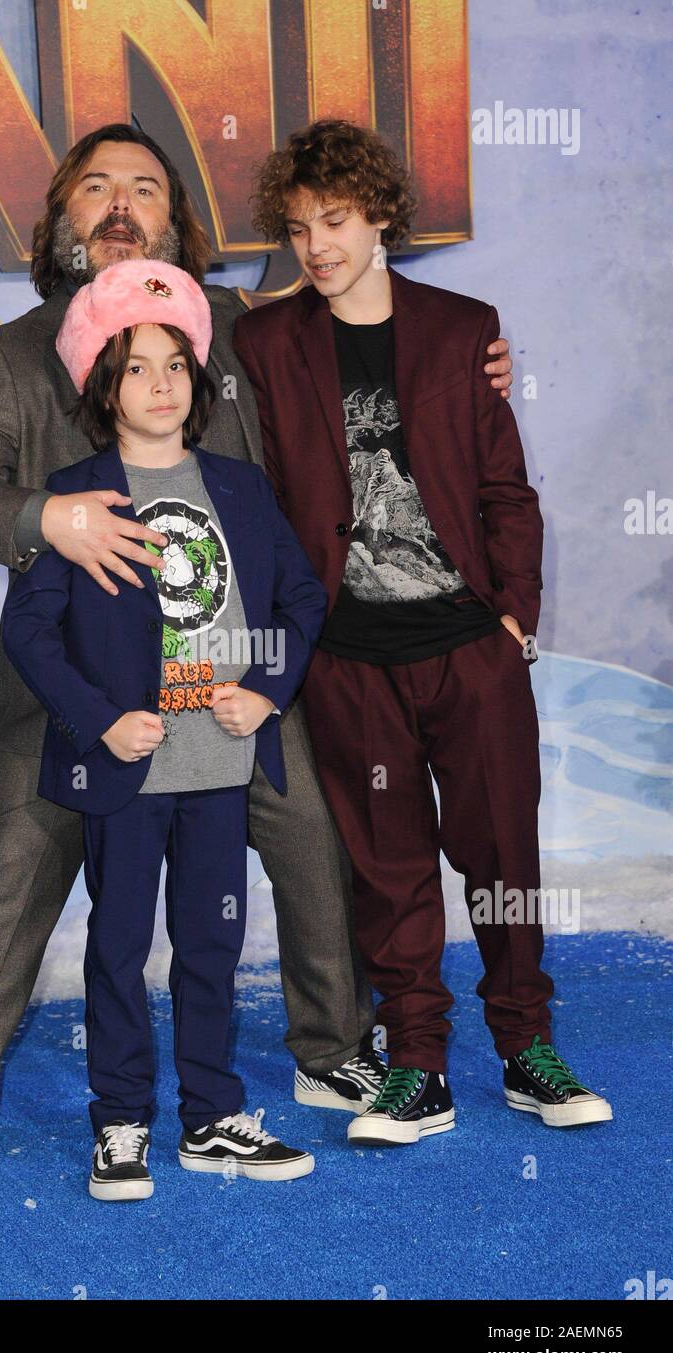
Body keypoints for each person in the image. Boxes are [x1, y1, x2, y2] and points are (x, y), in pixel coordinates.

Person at [0, 124, 514, 1207]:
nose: (121, 205)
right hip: (77, 701)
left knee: (314, 827)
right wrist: (50, 514)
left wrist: (464, 358)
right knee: (8, 876)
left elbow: (367, 351)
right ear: (60, 219)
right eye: (96, 189)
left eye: (146, 189)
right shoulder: (7, 354)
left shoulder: (245, 332)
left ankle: (328, 1048)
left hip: (232, 691)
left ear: (180, 226)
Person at [232, 118, 613, 1147]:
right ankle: (419, 1067)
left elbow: (504, 487)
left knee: (501, 855)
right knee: (388, 872)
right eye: (301, 226)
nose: (318, 246)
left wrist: (514, 619)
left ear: (383, 214)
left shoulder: (461, 329)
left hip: (467, 649)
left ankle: (528, 1050)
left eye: (338, 220)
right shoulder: (267, 339)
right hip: (349, 659)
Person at [0, 258, 327, 1198]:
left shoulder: (240, 485)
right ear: (104, 389)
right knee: (117, 945)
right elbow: (29, 630)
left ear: (200, 380)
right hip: (128, 769)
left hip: (218, 761)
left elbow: (301, 598)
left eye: (175, 365)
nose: (159, 384)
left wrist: (265, 690)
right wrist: (100, 723)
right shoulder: (76, 495)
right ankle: (119, 1122)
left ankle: (213, 1115)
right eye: (136, 367)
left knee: (212, 944)